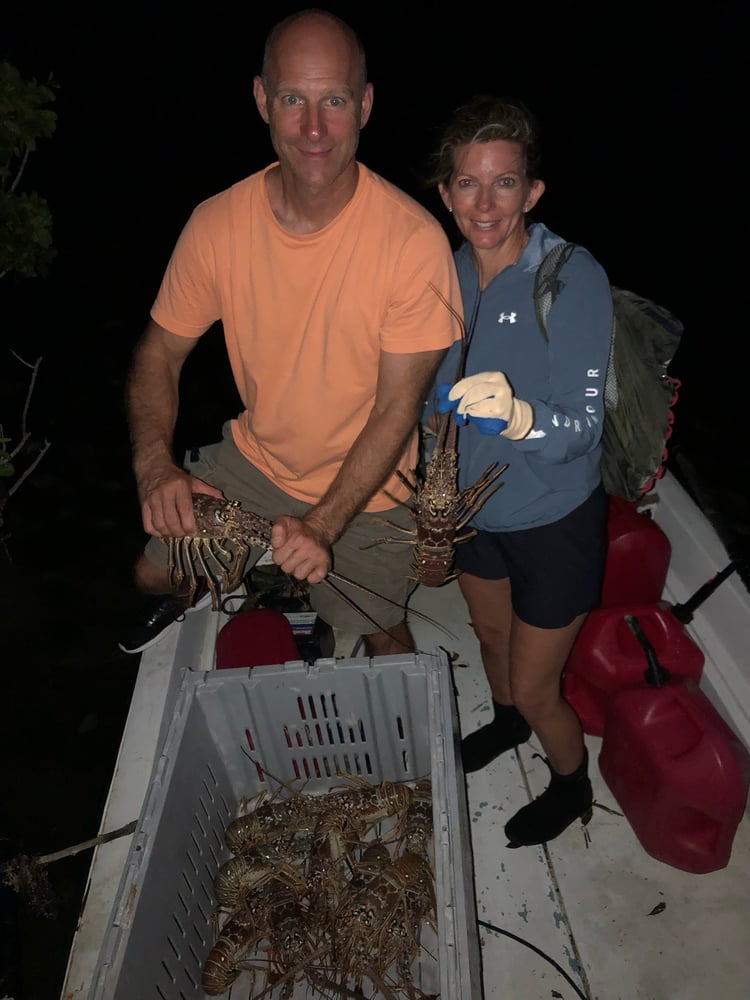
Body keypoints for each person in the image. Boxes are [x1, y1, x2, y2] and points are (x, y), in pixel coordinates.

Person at [118, 9, 461, 658]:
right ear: (260, 100)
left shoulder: (413, 242)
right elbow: (158, 355)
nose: (312, 128)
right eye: (292, 100)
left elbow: (396, 413)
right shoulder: (216, 224)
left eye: (332, 100)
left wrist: (320, 525)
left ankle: (352, 630)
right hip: (259, 461)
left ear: (364, 105)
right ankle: (195, 588)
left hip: (371, 490)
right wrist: (155, 468)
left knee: (381, 631)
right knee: (151, 569)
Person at [427, 95, 613, 847]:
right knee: (488, 637)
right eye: (467, 183)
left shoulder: (569, 280)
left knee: (541, 687)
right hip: (474, 512)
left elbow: (582, 426)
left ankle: (571, 786)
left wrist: (520, 415)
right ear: (444, 193)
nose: (485, 202)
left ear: (532, 191)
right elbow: (422, 396)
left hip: (555, 521)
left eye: (504, 182)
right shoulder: (438, 275)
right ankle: (504, 722)